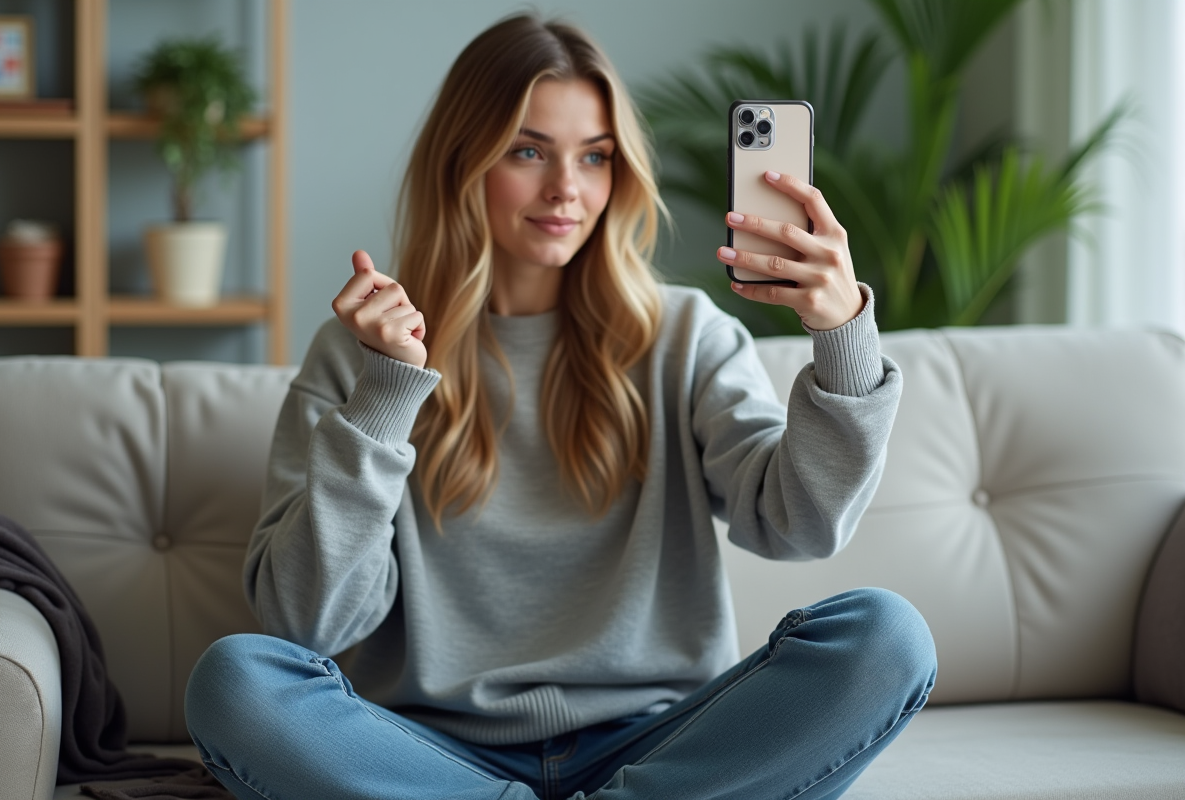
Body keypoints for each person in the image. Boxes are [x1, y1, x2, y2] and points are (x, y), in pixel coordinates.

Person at [184, 13, 936, 800]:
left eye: (596, 157)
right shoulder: (361, 353)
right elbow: (304, 626)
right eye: (528, 150)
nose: (566, 190)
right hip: (432, 753)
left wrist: (843, 333)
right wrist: (386, 396)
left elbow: (801, 524)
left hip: (661, 742)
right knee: (235, 679)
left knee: (887, 638)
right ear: (463, 161)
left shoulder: (684, 336)